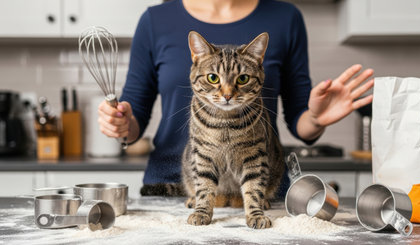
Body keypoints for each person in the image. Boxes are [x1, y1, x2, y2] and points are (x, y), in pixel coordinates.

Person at [97, 0, 374, 197]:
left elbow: (299, 120)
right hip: (175, 188)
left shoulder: (286, 17)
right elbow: (135, 117)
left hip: (257, 189)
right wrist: (121, 123)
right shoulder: (155, 21)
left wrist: (314, 117)